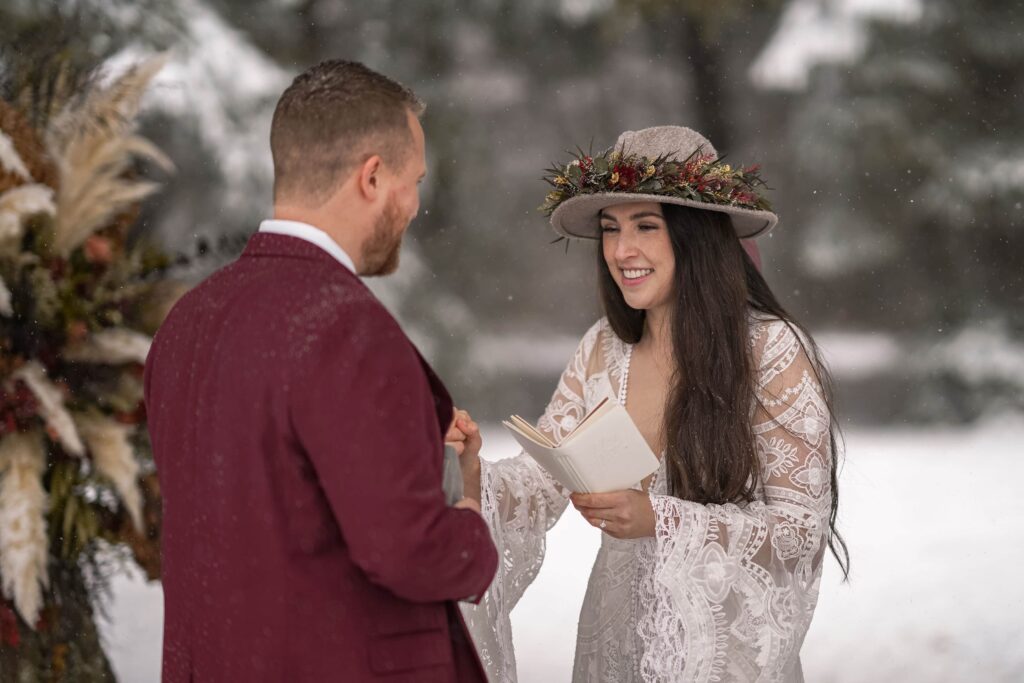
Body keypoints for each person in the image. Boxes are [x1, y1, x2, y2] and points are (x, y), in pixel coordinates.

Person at [451, 126, 848, 682]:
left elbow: (800, 532)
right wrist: (469, 470)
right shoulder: (602, 349)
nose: (620, 250)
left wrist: (661, 520)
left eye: (645, 226)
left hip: (722, 662)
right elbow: (542, 482)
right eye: (611, 229)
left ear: (697, 236)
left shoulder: (772, 350)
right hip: (615, 652)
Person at [144, 60, 497, 682]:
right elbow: (405, 549)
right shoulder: (346, 328)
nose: (414, 206)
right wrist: (467, 525)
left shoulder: (188, 323)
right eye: (413, 180)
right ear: (371, 176)